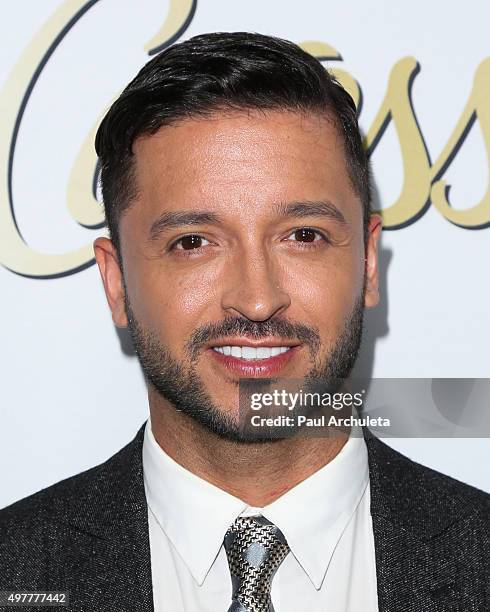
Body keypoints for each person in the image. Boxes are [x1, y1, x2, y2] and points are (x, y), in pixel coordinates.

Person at [0, 32, 488, 612]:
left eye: (303, 236)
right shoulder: (16, 570)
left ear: (366, 262)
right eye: (193, 242)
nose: (257, 301)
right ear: (116, 282)